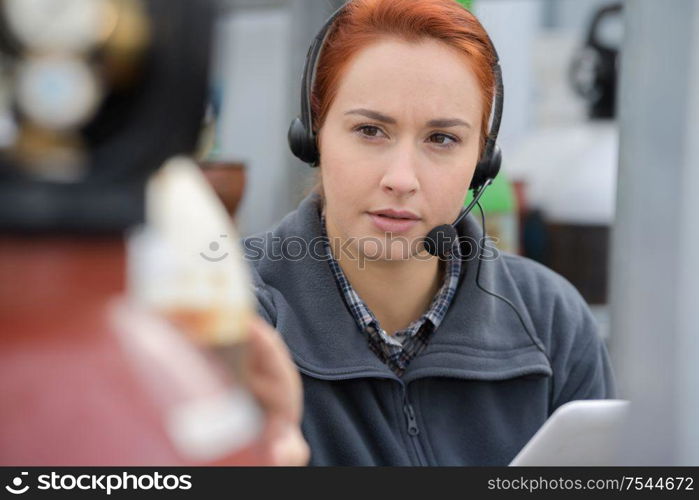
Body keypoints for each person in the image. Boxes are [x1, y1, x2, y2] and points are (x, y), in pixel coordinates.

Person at [242, 0, 616, 466]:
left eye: (442, 139)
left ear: (483, 162)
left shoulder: (552, 323)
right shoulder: (228, 317)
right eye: (370, 130)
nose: (402, 178)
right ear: (313, 136)